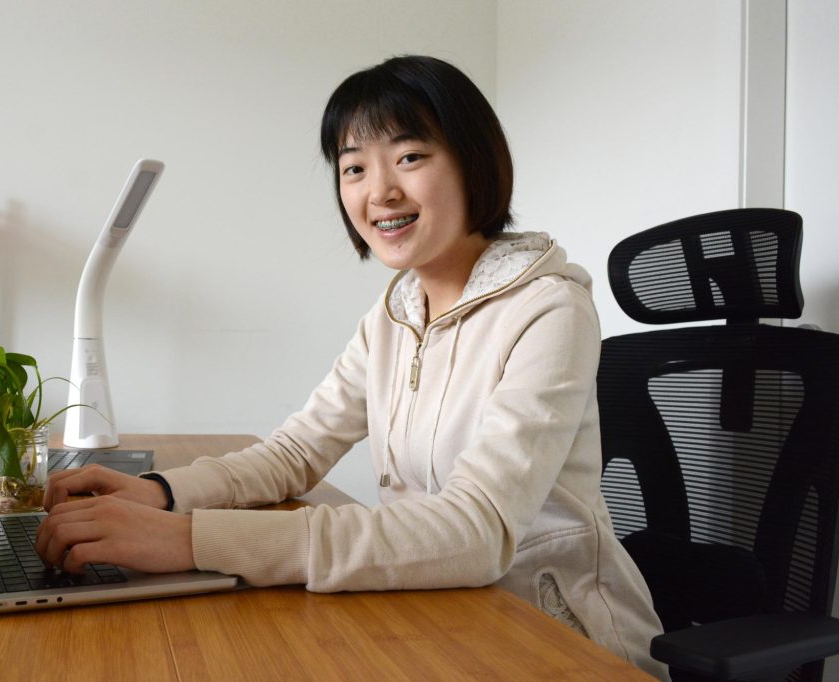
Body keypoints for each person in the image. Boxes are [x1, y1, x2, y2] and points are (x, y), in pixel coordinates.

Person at [35, 55, 667, 678]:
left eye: (411, 157)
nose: (380, 191)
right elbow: (295, 453)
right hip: (435, 615)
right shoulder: (394, 313)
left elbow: (479, 530)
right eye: (354, 167)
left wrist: (189, 540)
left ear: (475, 162)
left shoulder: (550, 309)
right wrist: (161, 493)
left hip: (555, 638)